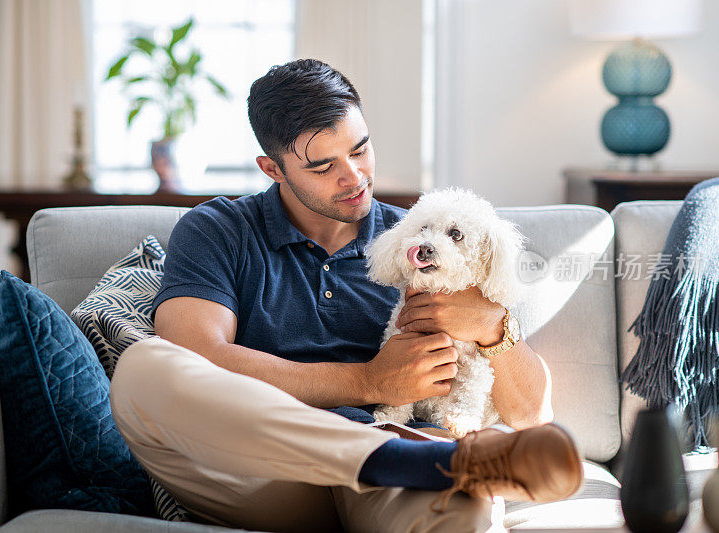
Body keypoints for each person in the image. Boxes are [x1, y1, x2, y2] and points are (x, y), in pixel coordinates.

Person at [109, 59, 584, 532]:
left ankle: (419, 463)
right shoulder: (219, 230)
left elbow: (532, 416)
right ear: (272, 168)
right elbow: (199, 355)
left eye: (360, 150)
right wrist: (370, 383)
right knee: (144, 367)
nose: (354, 177)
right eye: (323, 166)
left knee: (466, 509)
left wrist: (490, 327)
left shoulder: (426, 239)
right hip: (266, 471)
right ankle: (409, 460)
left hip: (399, 475)